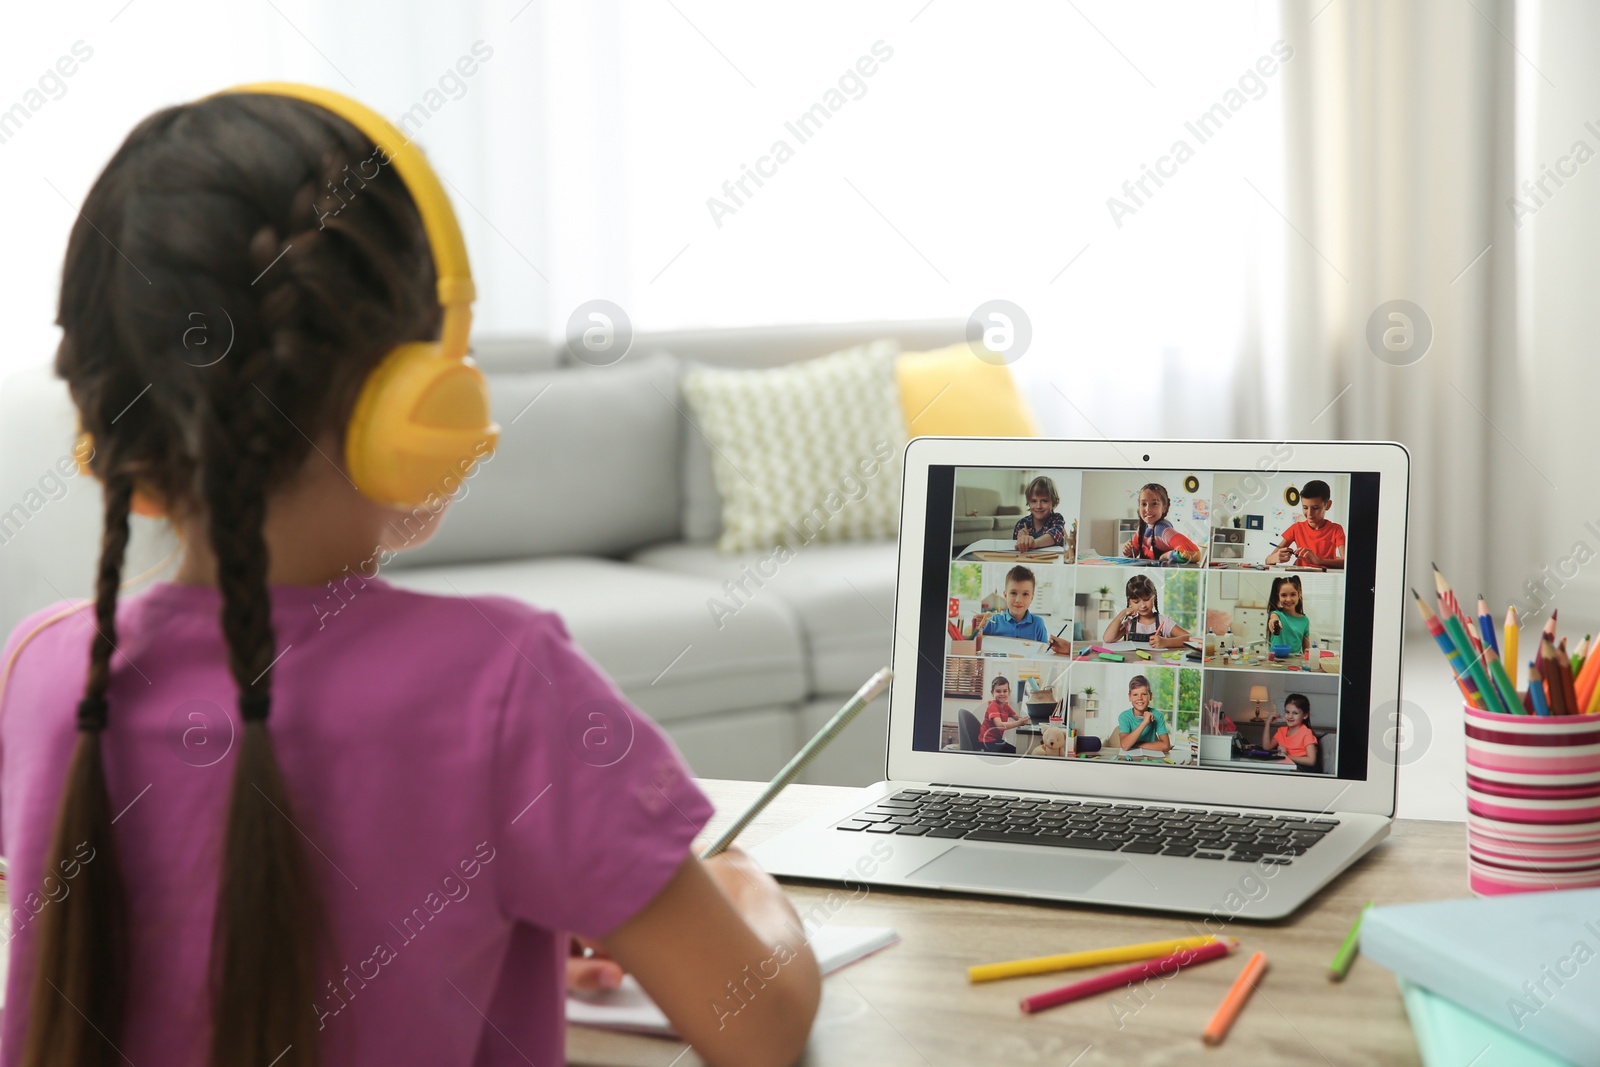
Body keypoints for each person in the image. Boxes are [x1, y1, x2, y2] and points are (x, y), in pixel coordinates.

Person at [0, 87, 818, 1067]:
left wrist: (471, 918)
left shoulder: (47, 671)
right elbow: (756, 1024)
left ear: (110, 427)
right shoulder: (503, 681)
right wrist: (749, 891)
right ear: (419, 397)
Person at [1265, 479, 1346, 569]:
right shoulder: (1296, 529)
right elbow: (1268, 560)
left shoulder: (1336, 529)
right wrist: (1275, 558)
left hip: (1326, 578)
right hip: (1300, 578)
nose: (1309, 513)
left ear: (1328, 505)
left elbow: (1346, 562)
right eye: (1305, 507)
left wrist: (1318, 561)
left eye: (1315, 508)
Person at [1104, 574, 1192, 650]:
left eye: (1146, 599)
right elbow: (1108, 638)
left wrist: (1166, 642)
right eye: (1136, 602)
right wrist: (1122, 613)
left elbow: (1190, 638)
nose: (1143, 605)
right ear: (1129, 602)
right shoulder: (1130, 624)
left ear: (1154, 596)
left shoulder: (1164, 622)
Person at [1120, 483, 1200, 564]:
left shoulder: (1162, 530)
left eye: (1154, 504)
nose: (1148, 509)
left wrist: (1165, 556)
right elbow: (1134, 553)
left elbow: (1194, 553)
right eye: (1144, 504)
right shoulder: (1143, 527)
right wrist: (1127, 551)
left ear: (1164, 508)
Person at [971, 565, 1049, 643]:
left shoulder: (1038, 624)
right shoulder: (994, 622)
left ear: (1032, 597)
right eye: (1013, 593)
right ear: (1005, 595)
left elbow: (1043, 652)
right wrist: (976, 628)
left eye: (1025, 594)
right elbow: (975, 644)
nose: (1018, 600)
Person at [1115, 675, 1172, 753]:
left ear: (1150, 696)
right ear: (1130, 697)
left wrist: (1137, 745)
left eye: (1144, 694)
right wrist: (1145, 722)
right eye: (1135, 695)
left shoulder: (1157, 715)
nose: (1140, 698)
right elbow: (1125, 745)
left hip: (1150, 756)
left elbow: (1166, 746)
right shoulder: (1124, 716)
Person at [1012, 475, 1066, 551]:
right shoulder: (1021, 524)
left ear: (1053, 502)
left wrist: (1032, 543)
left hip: (1051, 560)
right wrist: (1022, 539)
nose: (1038, 506)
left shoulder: (1057, 519)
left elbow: (1054, 535)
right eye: (1034, 501)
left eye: (1044, 501)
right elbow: (1016, 548)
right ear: (1028, 503)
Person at [1272, 694, 1320, 770]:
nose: (1290, 716)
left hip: (1302, 769)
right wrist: (1268, 723)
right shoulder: (1282, 730)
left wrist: (1286, 756)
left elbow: (1311, 761)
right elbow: (1267, 747)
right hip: (1287, 765)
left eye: (1295, 713)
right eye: (1287, 712)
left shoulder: (1306, 733)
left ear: (1305, 715)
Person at [1267, 575, 1312, 655]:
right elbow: (1274, 618)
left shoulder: (1305, 620)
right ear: (1278, 596)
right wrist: (1274, 621)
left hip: (1295, 662)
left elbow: (1306, 648)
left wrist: (1309, 652)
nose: (1288, 599)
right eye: (1284, 595)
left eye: (1293, 594)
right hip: (1276, 660)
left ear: (1299, 594)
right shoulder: (1277, 614)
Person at [978, 676, 1024, 753]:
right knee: (1016, 753)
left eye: (1005, 691)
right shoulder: (993, 707)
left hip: (995, 741)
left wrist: (1025, 720)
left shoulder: (1005, 706)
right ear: (992, 693)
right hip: (987, 743)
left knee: (1017, 751)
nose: (1002, 694)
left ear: (1009, 692)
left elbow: (1017, 717)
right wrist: (1019, 723)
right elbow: (999, 725)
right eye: (998, 691)